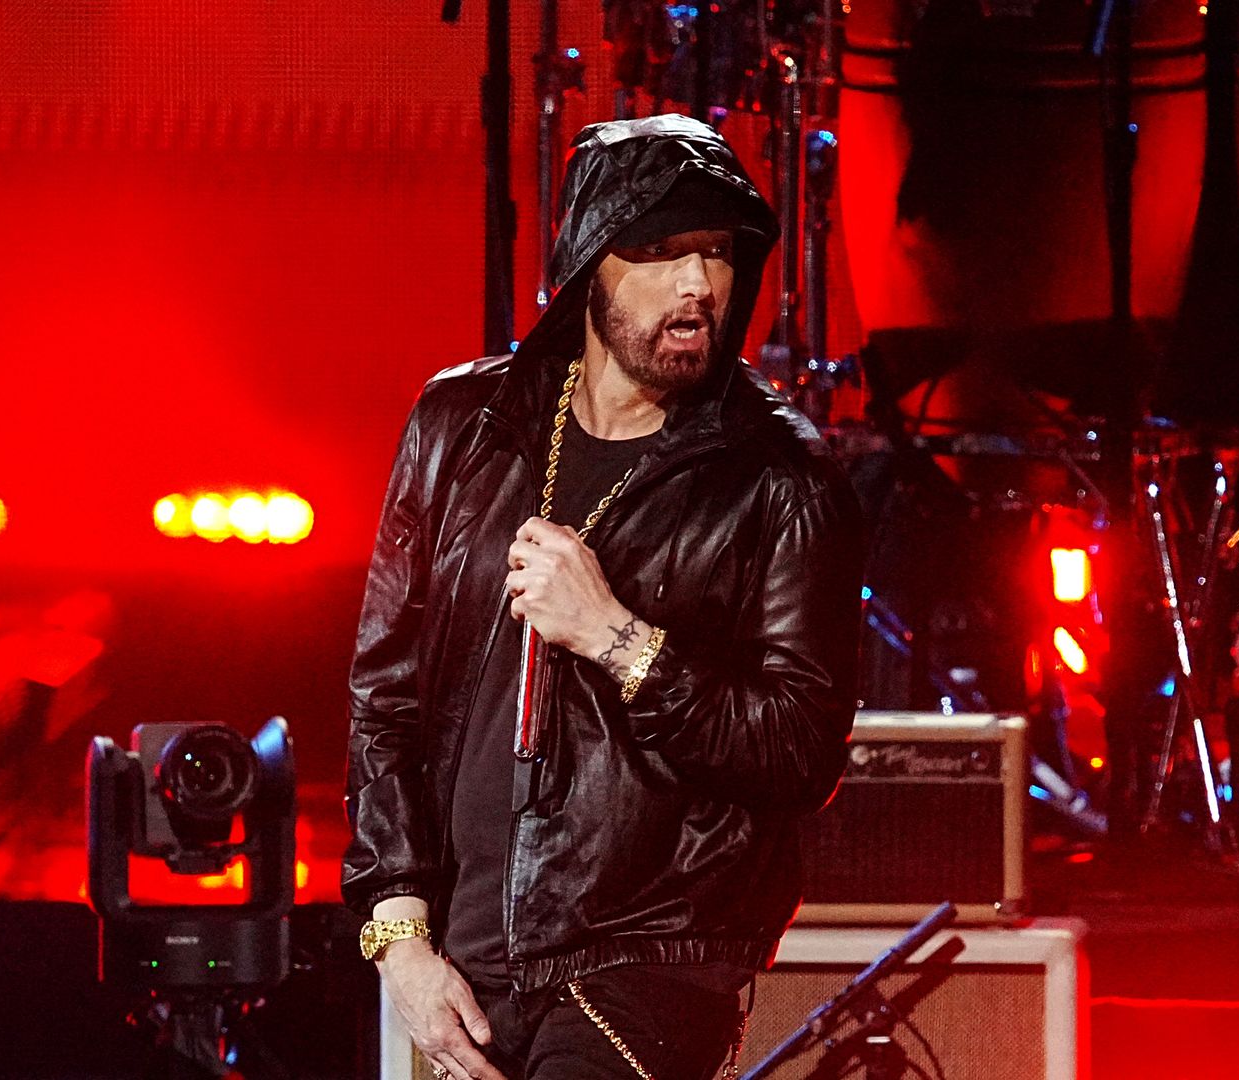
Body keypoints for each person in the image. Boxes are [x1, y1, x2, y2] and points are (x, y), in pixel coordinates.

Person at [343, 114, 862, 1080]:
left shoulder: (779, 477)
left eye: (718, 253)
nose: (698, 285)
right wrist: (400, 930)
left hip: (651, 958)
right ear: (590, 265)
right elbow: (387, 696)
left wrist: (620, 640)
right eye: (663, 253)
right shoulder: (462, 427)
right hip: (468, 954)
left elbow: (801, 750)